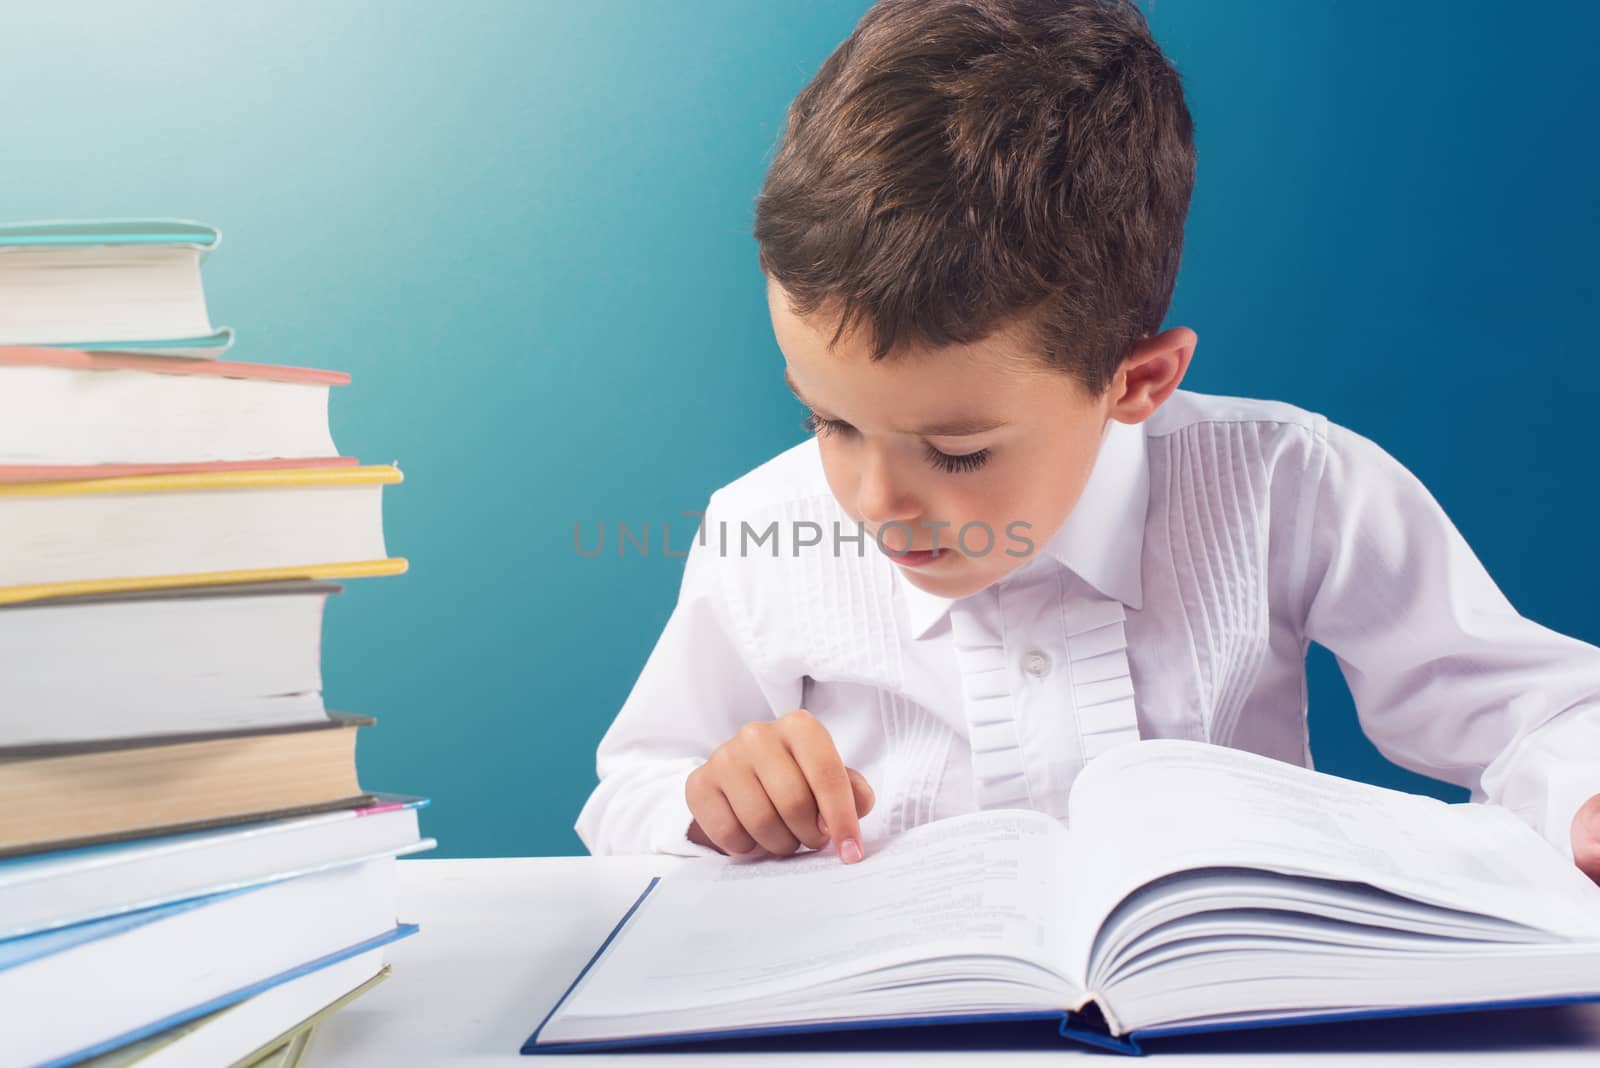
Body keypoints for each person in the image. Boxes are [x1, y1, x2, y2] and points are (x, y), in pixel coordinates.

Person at [574, 0, 1600, 882]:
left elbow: (1534, 711)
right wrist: (708, 807)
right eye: (828, 421)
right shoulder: (761, 529)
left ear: (1136, 381)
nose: (873, 498)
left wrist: (1582, 796)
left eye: (959, 451)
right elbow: (635, 791)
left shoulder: (1290, 486)